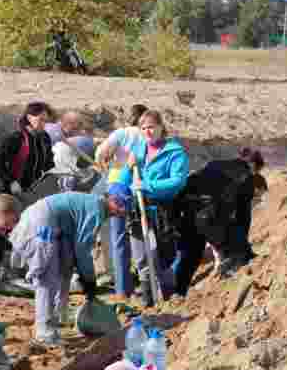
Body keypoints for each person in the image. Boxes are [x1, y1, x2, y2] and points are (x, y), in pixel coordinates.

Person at [9, 187, 132, 346]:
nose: (121, 211)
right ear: (110, 199)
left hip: (52, 223)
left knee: (64, 268)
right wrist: (89, 281)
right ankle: (44, 331)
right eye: (120, 204)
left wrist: (84, 276)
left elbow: (75, 249)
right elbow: (83, 249)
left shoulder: (94, 205)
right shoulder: (96, 209)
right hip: (41, 223)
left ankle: (60, 316)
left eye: (125, 207)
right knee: (47, 277)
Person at [172, 148, 266, 295]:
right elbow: (243, 215)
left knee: (189, 258)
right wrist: (242, 243)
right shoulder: (246, 177)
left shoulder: (213, 164)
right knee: (240, 254)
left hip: (189, 214)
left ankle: (175, 295)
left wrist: (176, 217)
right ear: (254, 165)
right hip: (211, 217)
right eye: (257, 170)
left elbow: (187, 184)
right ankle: (223, 291)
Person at [126, 109, 190, 305]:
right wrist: (120, 187)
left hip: (164, 210)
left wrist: (147, 186)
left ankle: (170, 297)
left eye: (151, 127)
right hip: (139, 209)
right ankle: (148, 302)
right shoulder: (139, 150)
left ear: (161, 127)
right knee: (142, 257)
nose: (148, 132)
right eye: (143, 128)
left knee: (165, 257)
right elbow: (127, 175)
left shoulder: (175, 153)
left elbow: (178, 181)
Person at [94, 104, 148, 298]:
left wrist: (105, 164)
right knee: (141, 235)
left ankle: (123, 289)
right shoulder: (147, 135)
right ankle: (147, 284)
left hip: (117, 185)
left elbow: (100, 153)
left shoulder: (122, 133)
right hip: (141, 185)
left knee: (118, 239)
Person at [0, 101, 54, 199]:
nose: (44, 125)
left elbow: (49, 163)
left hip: (36, 191)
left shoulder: (45, 138)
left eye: (46, 121)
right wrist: (10, 182)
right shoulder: (16, 138)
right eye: (41, 120)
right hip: (14, 192)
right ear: (29, 118)